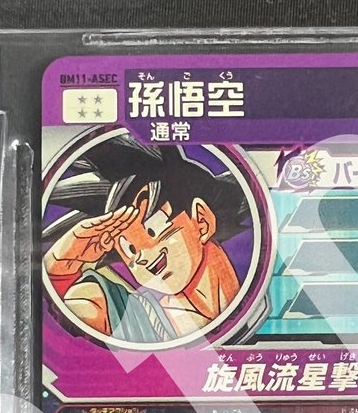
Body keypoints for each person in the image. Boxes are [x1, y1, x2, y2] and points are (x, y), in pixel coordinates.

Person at [45, 136, 250, 342]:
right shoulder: (130, 319)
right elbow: (77, 309)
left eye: (153, 230)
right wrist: (61, 267)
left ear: (202, 221)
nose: (141, 257)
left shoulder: (254, 295)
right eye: (130, 250)